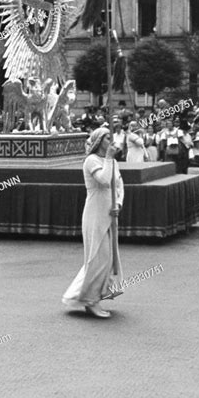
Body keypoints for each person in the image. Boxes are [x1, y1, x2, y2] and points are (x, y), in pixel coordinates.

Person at [62, 128, 123, 319]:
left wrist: (118, 203)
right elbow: (104, 181)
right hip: (94, 214)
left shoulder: (110, 161)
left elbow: (119, 185)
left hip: (110, 214)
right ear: (98, 141)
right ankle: (91, 300)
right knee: (98, 258)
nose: (110, 140)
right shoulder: (91, 161)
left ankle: (85, 296)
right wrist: (109, 158)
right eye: (107, 137)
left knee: (108, 259)